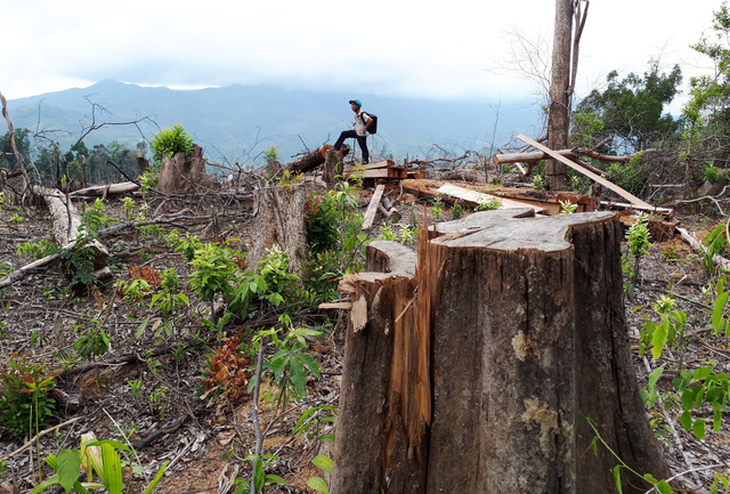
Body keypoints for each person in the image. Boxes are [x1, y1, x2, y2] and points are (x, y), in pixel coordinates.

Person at [333, 98, 372, 163]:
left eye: (353, 105)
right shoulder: (356, 114)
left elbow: (370, 120)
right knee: (344, 134)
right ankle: (336, 147)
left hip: (361, 134)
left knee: (364, 149)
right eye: (351, 105)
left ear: (357, 106)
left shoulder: (362, 114)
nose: (352, 107)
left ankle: (365, 162)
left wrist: (365, 128)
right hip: (356, 132)